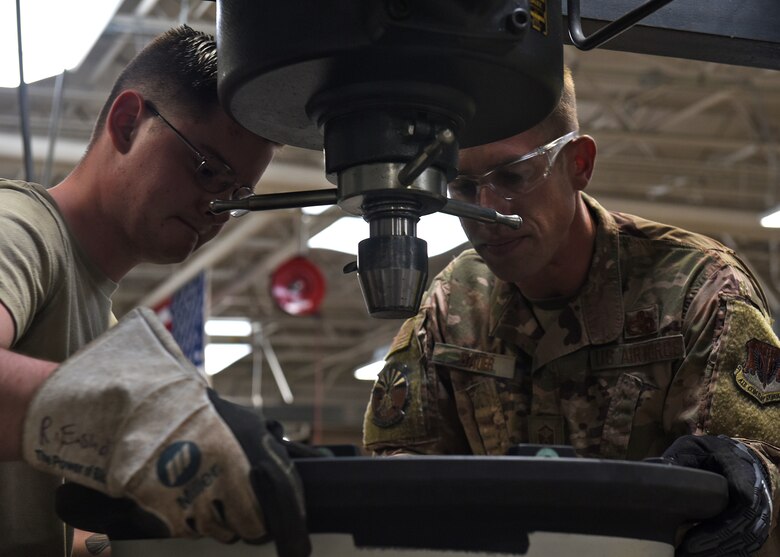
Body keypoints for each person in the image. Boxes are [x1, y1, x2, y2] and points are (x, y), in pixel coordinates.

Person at [363, 67, 780, 556]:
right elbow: (400, 474)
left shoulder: (697, 289)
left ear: (579, 164)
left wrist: (744, 477)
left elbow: (752, 477)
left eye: (514, 176)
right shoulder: (454, 301)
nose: (488, 211)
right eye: (463, 186)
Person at [0, 26, 309, 557]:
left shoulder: (102, 327)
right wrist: (143, 419)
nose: (217, 209)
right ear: (127, 123)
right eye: (208, 170)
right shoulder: (19, 227)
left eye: (237, 197)